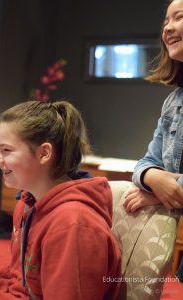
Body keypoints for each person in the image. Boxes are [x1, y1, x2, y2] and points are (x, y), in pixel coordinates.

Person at [0, 100, 121, 299]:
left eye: (6, 150)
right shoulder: (26, 204)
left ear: (44, 153)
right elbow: (22, 278)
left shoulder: (73, 225)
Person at [123, 0, 183, 283]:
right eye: (165, 22)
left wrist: (167, 192)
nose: (168, 28)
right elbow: (146, 163)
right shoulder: (173, 103)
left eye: (179, 18)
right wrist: (152, 179)